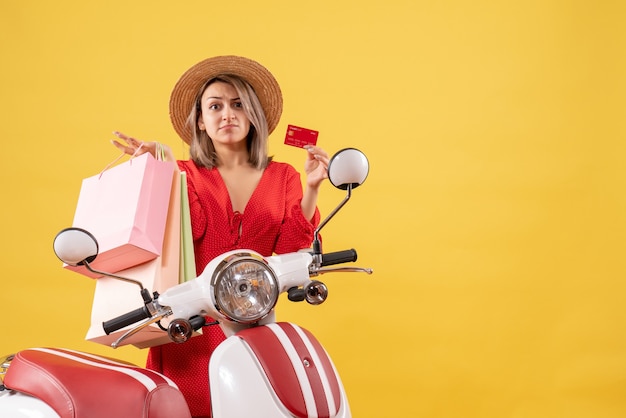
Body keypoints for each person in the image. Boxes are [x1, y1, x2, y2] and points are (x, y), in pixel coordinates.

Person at [112, 55, 329, 417]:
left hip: (256, 323)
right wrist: (160, 172)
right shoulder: (185, 172)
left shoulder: (285, 176)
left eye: (238, 104)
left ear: (253, 116)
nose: (227, 114)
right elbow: (191, 229)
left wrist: (312, 188)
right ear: (200, 120)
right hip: (192, 326)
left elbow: (290, 253)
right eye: (215, 106)